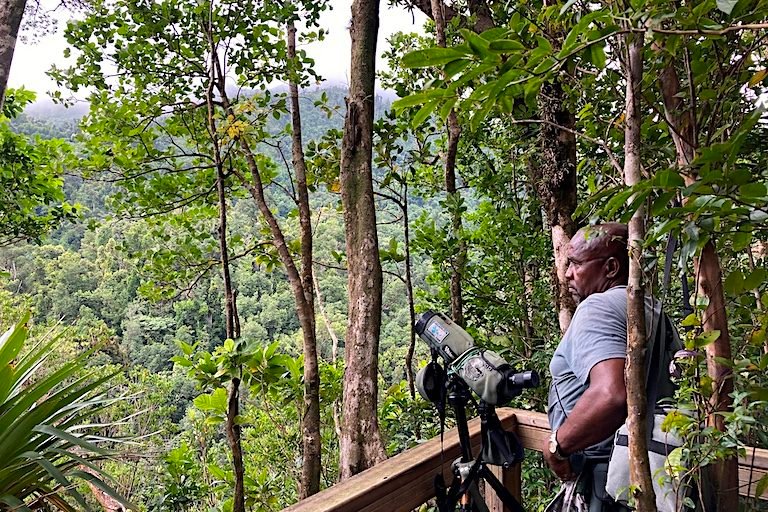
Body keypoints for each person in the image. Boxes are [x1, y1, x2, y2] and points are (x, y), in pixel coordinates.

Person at [542, 223, 678, 512]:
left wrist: (558, 446)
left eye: (576, 264)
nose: (567, 274)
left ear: (611, 267)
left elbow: (612, 394)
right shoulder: (651, 308)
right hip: (648, 476)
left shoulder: (598, 308)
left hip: (606, 485)